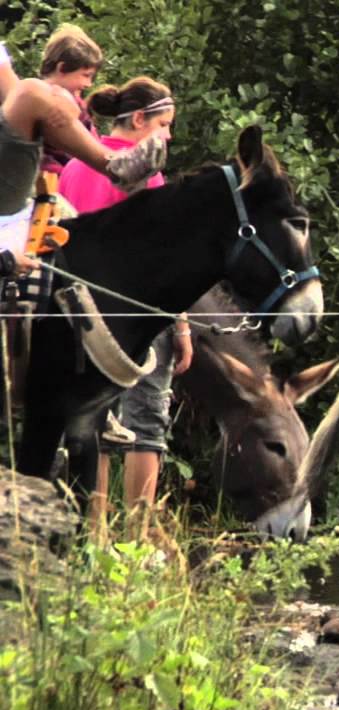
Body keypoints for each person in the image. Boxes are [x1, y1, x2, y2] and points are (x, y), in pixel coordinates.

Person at [58, 76, 191, 529]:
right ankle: (138, 535)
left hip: (83, 315)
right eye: (164, 124)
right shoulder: (144, 171)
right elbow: (164, 255)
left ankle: (93, 534)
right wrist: (181, 325)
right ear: (138, 120)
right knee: (146, 423)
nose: (167, 136)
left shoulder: (77, 164)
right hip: (139, 316)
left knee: (94, 419)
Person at [0, 38, 165, 216]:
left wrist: (52, 103)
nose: (88, 84)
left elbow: (16, 96)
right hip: (47, 177)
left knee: (31, 92)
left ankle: (115, 167)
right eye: (86, 75)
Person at [37, 24, 102, 176]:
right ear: (62, 68)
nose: (89, 84)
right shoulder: (34, 100)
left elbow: (94, 145)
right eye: (86, 75)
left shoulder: (79, 105)